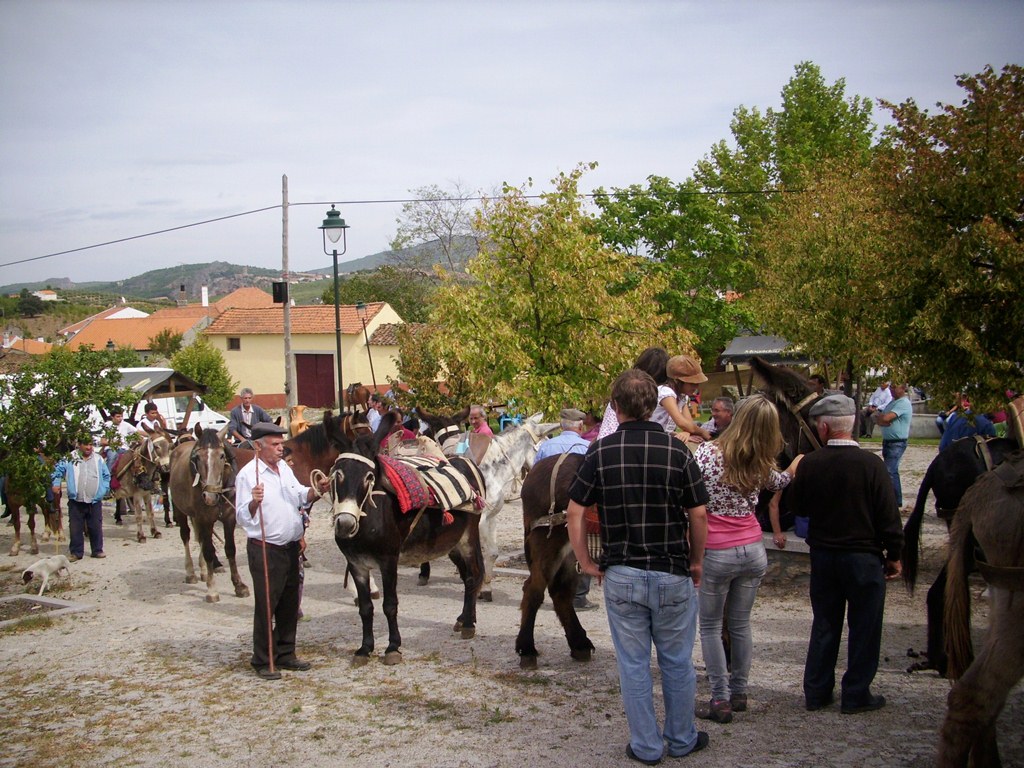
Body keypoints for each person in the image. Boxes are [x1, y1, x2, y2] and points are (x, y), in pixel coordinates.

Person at [567, 369, 710, 764]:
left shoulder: (599, 451)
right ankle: (682, 739)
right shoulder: (678, 451)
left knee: (633, 665)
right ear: (653, 406)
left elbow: (575, 511)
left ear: (615, 407)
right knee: (678, 661)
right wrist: (696, 561)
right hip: (672, 570)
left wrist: (584, 560)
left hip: (623, 572)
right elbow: (698, 514)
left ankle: (646, 746)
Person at [788, 394, 903, 714]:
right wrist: (894, 554)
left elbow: (796, 506)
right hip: (864, 558)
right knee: (865, 626)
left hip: (825, 556)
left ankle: (816, 691)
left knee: (825, 624)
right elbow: (888, 516)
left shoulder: (810, 464)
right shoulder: (872, 465)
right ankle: (855, 692)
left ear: (824, 427)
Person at [694, 395, 801, 723]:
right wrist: (797, 462)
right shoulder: (762, 461)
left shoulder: (708, 454)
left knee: (711, 626)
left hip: (717, 549)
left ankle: (719, 698)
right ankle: (739, 692)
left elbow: (691, 493)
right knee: (740, 624)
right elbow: (781, 481)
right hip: (752, 549)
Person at [234, 422, 329, 681]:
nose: (280, 449)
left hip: (290, 548)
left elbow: (299, 495)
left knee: (289, 603)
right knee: (267, 604)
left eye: (281, 444)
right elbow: (241, 517)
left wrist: (317, 490)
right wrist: (254, 501)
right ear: (258, 446)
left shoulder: (285, 469)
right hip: (265, 549)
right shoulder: (248, 476)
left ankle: (286, 652)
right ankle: (263, 659)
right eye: (275, 444)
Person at [52, 434, 111, 561]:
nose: (89, 447)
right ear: (79, 445)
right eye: (86, 444)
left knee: (95, 526)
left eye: (91, 445)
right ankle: (76, 552)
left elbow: (106, 476)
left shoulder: (98, 459)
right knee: (75, 527)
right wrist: (56, 483)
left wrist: (104, 489)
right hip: (76, 500)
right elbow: (58, 471)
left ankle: (97, 550)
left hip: (94, 500)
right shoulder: (70, 457)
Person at [874, 382, 913, 508]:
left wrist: (883, 419)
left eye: (894, 387)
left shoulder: (903, 403)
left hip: (897, 442)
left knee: (889, 470)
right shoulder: (892, 402)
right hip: (888, 441)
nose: (891, 390)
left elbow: (885, 418)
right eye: (891, 387)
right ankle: (895, 500)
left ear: (903, 388)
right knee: (892, 471)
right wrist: (882, 419)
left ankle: (894, 501)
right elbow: (879, 417)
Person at [103, 406, 138, 524]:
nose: (120, 418)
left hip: (124, 449)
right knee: (111, 458)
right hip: (112, 448)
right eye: (117, 416)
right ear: (112, 417)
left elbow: (137, 432)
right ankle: (107, 485)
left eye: (121, 416)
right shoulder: (107, 426)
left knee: (136, 459)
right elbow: (102, 441)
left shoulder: (126, 425)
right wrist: (112, 442)